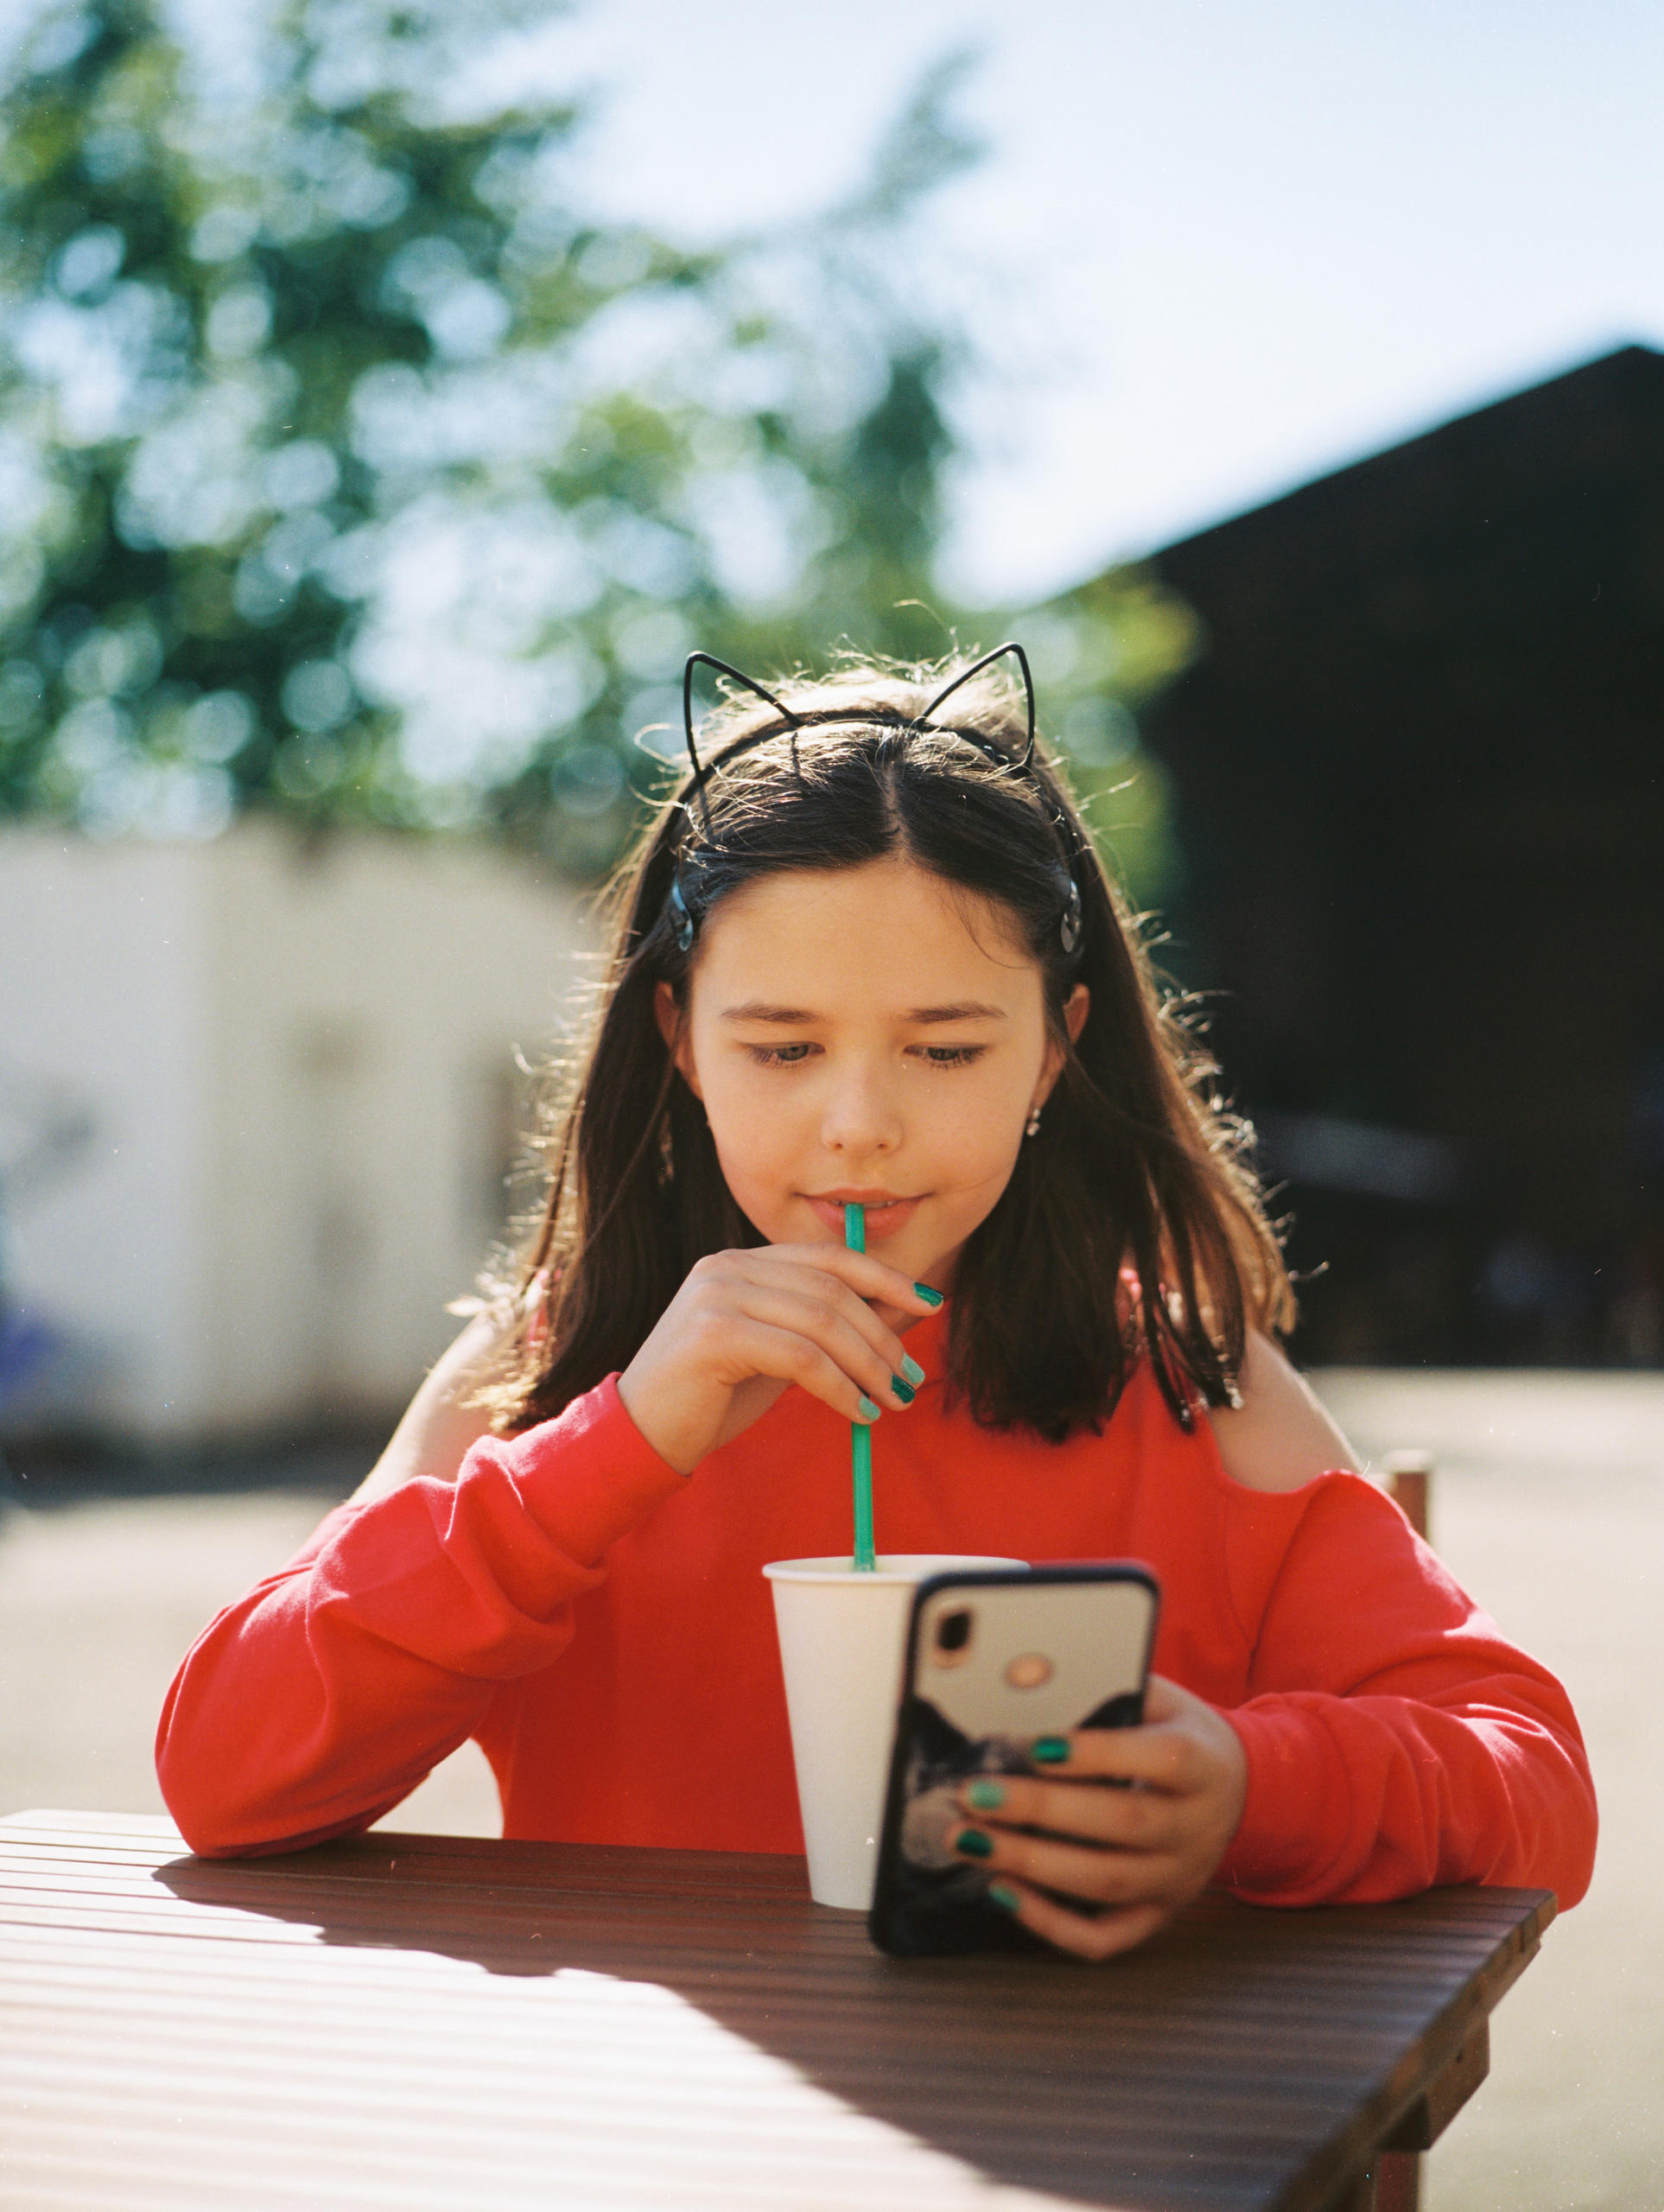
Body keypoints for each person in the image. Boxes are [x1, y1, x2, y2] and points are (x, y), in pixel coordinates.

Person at [156, 648, 1597, 1961]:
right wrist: (615, 1445)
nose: (858, 1125)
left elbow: (1533, 1784)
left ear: (1053, 1052)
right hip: (632, 2115)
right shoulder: (547, 1371)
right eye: (782, 1050)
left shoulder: (1186, 1381)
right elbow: (226, 1778)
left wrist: (1248, 1787)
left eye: (945, 1050)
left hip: (1083, 2109)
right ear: (680, 1042)